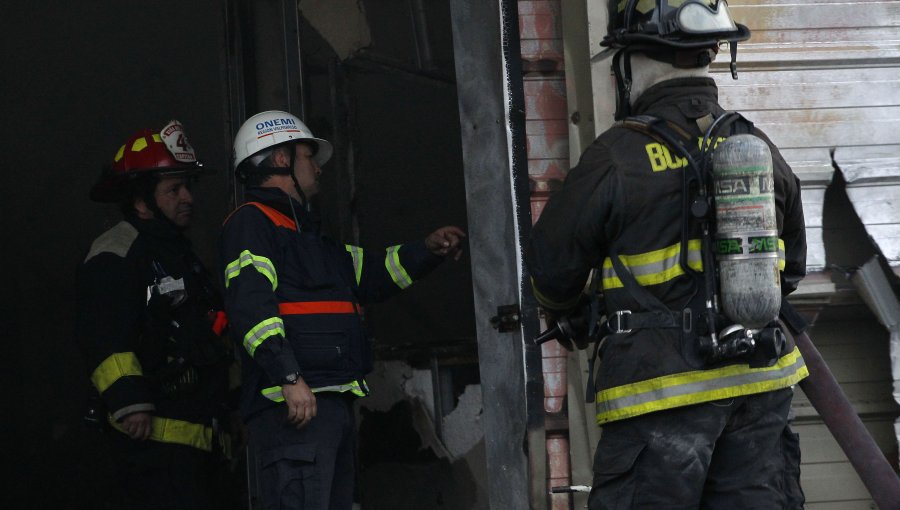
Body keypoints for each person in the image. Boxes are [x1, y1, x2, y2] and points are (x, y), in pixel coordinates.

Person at [527, 1, 809, 508]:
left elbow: (551, 264)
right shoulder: (754, 143)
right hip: (759, 383)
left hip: (658, 394)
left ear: (632, 62)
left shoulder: (616, 156)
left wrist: (570, 312)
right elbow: (792, 268)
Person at [220, 110, 465, 509]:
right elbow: (251, 306)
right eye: (307, 156)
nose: (316, 167)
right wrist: (289, 375)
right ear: (281, 159)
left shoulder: (312, 237)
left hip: (326, 403)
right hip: (294, 408)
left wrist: (426, 251)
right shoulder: (252, 224)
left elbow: (371, 273)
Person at [77, 121, 239, 509]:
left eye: (187, 186)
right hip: (154, 448)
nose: (187, 197)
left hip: (201, 445)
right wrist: (129, 401)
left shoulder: (179, 253)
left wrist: (234, 408)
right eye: (173, 189)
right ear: (140, 200)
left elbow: (213, 335)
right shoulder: (118, 250)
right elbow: (102, 332)